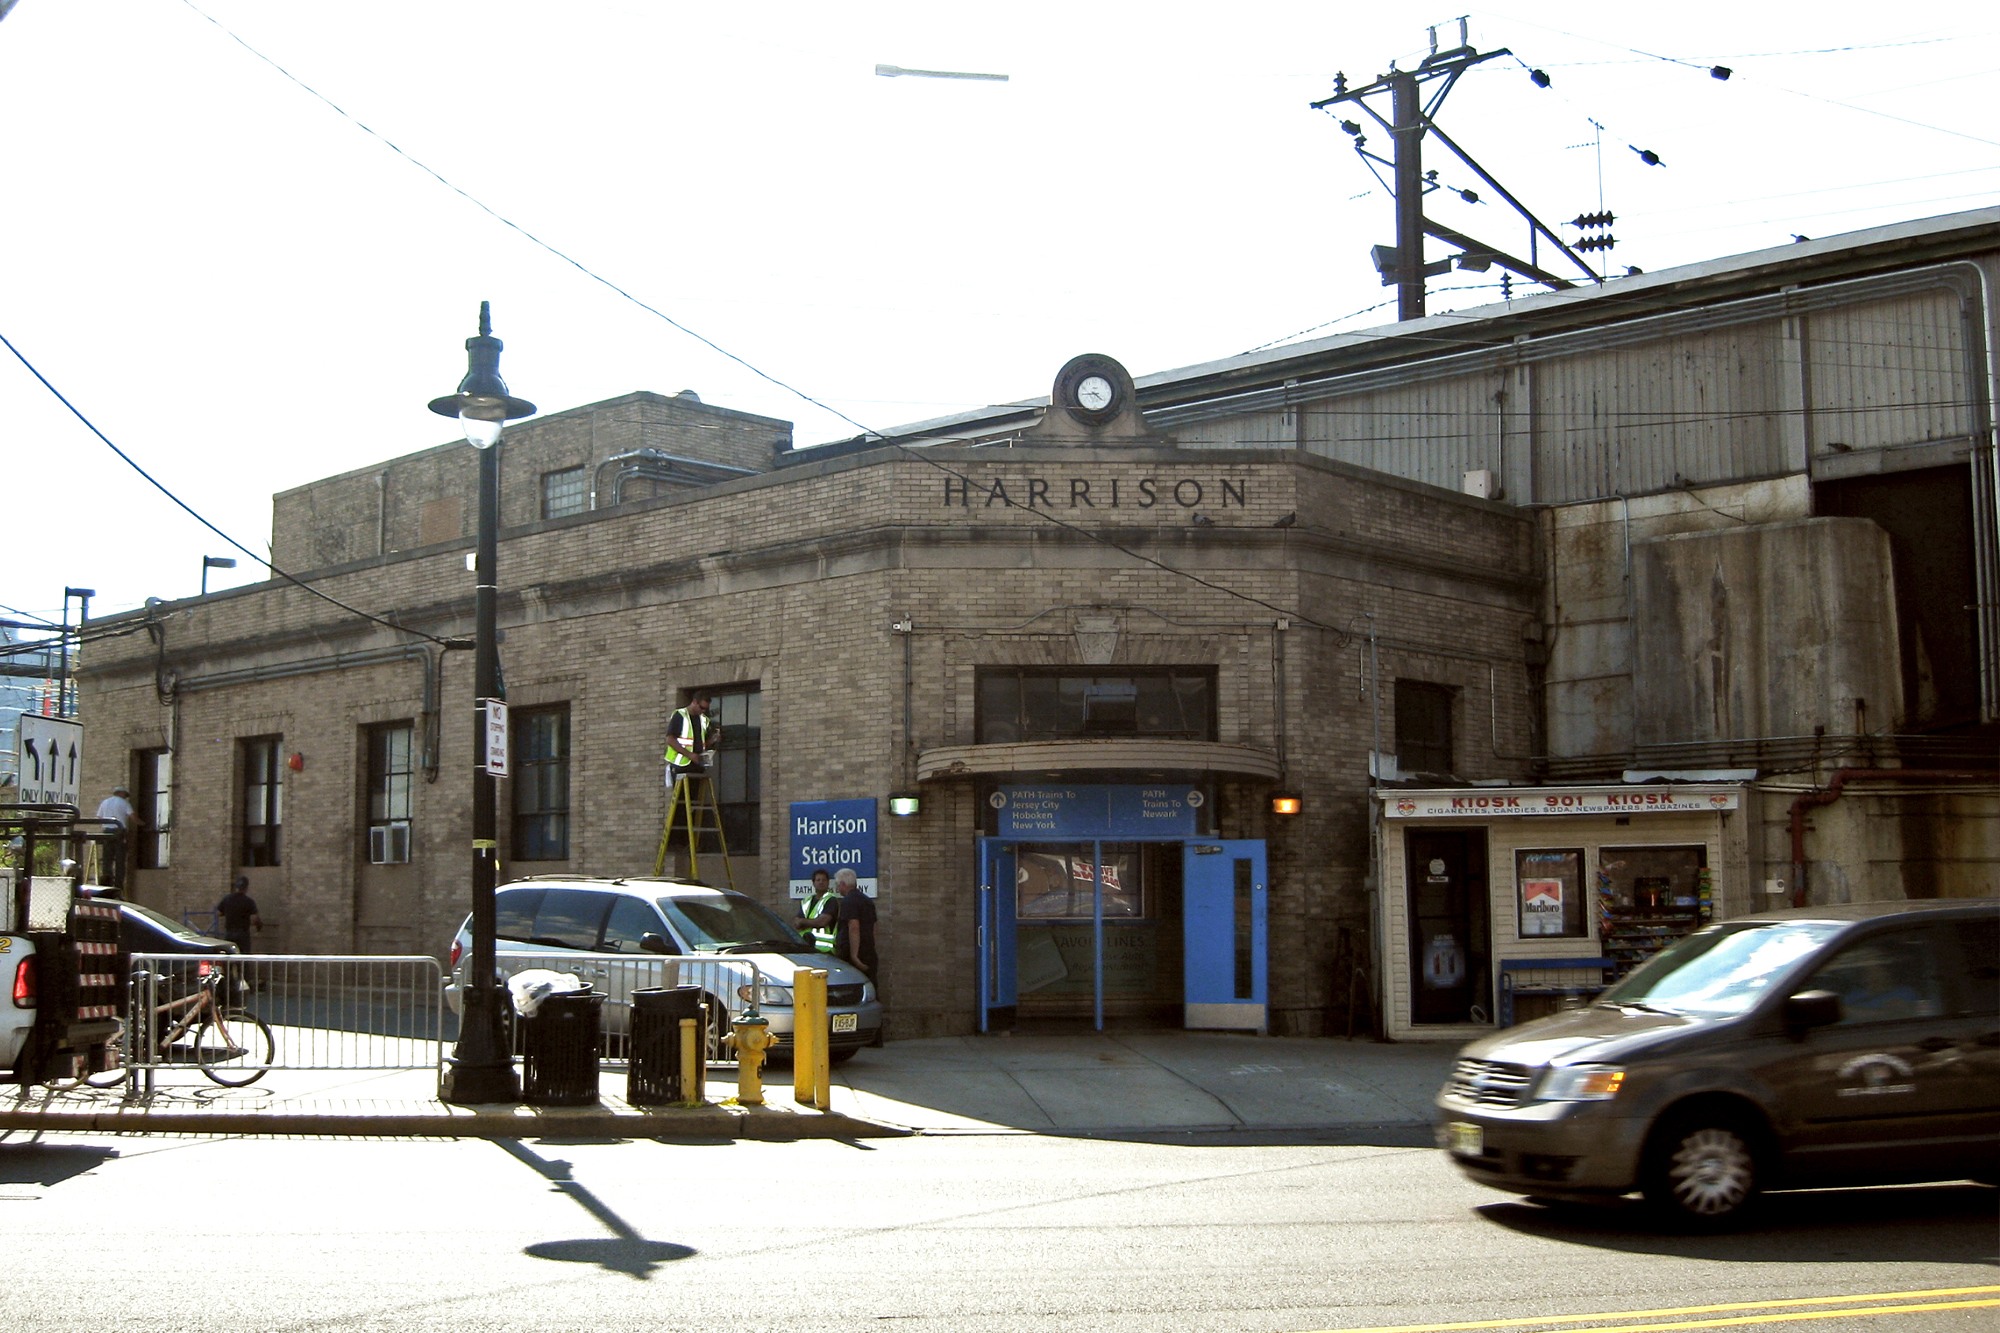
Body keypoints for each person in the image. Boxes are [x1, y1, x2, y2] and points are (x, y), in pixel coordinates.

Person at [662, 692, 718, 794]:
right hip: (680, 766)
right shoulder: (680, 715)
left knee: (694, 799)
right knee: (682, 799)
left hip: (697, 766)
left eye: (705, 709)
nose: (703, 711)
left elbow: (701, 744)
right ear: (695, 702)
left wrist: (712, 740)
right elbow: (670, 739)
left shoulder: (703, 720)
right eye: (701, 707)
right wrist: (689, 755)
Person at [832, 867, 878, 978]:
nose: (837, 889)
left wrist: (854, 956)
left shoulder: (848, 901)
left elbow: (853, 927)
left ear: (843, 884)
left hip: (854, 954)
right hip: (869, 951)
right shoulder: (867, 900)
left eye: (837, 885)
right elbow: (874, 927)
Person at [94, 784, 137, 889]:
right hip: (119, 832)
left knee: (107, 859)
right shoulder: (124, 803)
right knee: (120, 859)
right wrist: (143, 824)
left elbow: (99, 817)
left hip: (107, 832)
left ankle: (106, 883)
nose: (125, 797)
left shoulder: (105, 802)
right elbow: (133, 817)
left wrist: (106, 826)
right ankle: (118, 885)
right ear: (121, 794)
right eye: (125, 795)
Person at [794, 868, 838, 954]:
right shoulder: (806, 900)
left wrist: (803, 921)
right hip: (805, 946)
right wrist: (810, 922)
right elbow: (796, 923)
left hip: (824, 949)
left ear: (828, 882)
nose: (821, 882)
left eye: (824, 880)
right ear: (813, 883)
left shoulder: (831, 900)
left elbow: (822, 922)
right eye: (818, 880)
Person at [215, 876, 262, 954]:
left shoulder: (227, 899)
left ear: (236, 887)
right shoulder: (249, 901)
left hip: (229, 933)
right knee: (244, 957)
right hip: (243, 934)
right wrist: (258, 928)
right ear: (246, 888)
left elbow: (218, 913)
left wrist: (228, 913)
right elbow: (255, 918)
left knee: (229, 957)